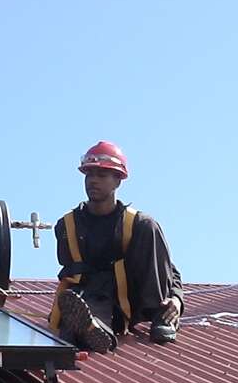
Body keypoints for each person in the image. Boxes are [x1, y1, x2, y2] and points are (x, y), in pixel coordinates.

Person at [50, 141, 183, 352]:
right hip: (92, 295)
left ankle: (162, 318)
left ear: (118, 181)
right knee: (81, 311)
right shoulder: (67, 226)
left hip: (133, 295)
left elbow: (165, 267)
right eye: (89, 174)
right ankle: (89, 329)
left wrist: (176, 298)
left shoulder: (138, 225)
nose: (93, 181)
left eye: (101, 175)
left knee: (149, 226)